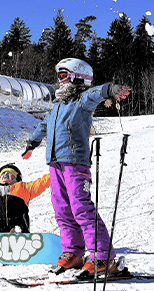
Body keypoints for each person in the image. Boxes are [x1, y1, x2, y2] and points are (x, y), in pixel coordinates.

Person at [22, 58, 131, 277]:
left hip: (75, 163)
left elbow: (97, 94)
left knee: (81, 208)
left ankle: (104, 257)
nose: (59, 81)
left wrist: (110, 89)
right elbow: (45, 125)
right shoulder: (57, 105)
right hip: (55, 163)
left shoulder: (82, 100)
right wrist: (32, 142)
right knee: (62, 209)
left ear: (76, 77)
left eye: (62, 76)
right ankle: (73, 253)